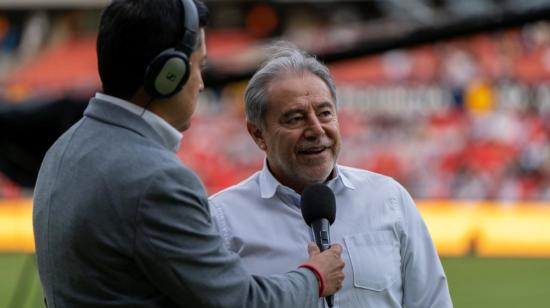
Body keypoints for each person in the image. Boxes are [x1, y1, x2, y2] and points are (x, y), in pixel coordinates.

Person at [32, 1, 345, 307]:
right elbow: (238, 300)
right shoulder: (156, 179)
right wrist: (314, 277)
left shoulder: (62, 148)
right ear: (169, 74)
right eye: (200, 66)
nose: (201, 83)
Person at [209, 43, 453, 308]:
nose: (316, 129)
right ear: (258, 134)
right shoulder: (222, 220)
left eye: (325, 113)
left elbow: (432, 302)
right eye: (295, 118)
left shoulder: (389, 199)